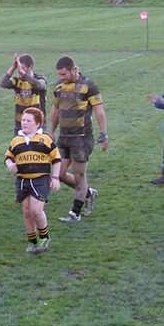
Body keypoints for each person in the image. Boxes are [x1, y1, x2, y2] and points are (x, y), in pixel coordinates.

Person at [51, 56, 109, 222]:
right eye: (59, 75)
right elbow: (56, 109)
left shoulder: (88, 85)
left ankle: (75, 213)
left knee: (79, 175)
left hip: (81, 138)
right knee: (59, 174)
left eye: (64, 74)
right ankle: (89, 193)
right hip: (64, 137)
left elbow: (99, 111)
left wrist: (103, 133)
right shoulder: (59, 86)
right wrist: (52, 131)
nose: (61, 77)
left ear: (72, 69)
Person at [5, 107, 61, 253]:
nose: (24, 123)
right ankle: (32, 241)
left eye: (28, 121)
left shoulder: (45, 139)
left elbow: (56, 159)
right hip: (23, 180)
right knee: (27, 212)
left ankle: (45, 237)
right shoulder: (16, 140)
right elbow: (8, 157)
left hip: (40, 180)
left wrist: (55, 177)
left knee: (36, 210)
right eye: (23, 120)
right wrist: (10, 165)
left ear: (38, 124)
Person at [0, 53, 46, 129]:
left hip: (37, 123)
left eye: (22, 68)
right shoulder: (17, 80)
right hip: (21, 123)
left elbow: (40, 86)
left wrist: (24, 74)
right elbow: (3, 84)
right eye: (18, 68)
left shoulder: (40, 78)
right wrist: (13, 68)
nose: (19, 70)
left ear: (30, 67)